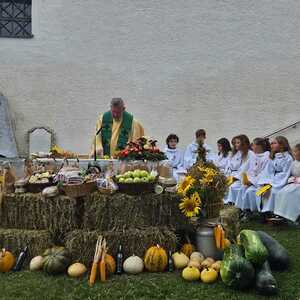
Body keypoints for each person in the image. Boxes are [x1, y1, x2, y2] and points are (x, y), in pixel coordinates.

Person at [255, 136, 293, 215]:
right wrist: (266, 183)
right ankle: (263, 211)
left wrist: (271, 184)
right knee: (260, 189)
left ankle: (275, 212)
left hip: (282, 181)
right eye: (271, 143)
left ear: (282, 145)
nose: (271, 145)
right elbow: (268, 172)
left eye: (274, 143)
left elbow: (286, 173)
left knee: (274, 191)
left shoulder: (288, 158)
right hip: (273, 180)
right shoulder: (273, 157)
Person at [235, 138, 270, 214]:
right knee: (242, 188)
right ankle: (241, 209)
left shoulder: (267, 157)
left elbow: (264, 173)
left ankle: (252, 211)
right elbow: (250, 170)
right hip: (253, 181)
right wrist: (247, 179)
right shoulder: (253, 156)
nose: (251, 147)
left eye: (253, 145)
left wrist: (252, 181)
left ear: (259, 146)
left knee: (249, 191)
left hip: (260, 182)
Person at [224, 134, 255, 204]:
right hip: (238, 176)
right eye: (235, 143)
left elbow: (250, 169)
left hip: (247, 179)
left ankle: (235, 202)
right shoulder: (240, 153)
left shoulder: (251, 154)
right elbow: (236, 168)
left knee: (233, 187)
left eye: (238, 143)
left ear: (244, 143)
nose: (235, 145)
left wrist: (237, 178)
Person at [274, 144, 300, 223]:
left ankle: (293, 217)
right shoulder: (294, 162)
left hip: (298, 185)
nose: (294, 153)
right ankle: (281, 215)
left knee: (290, 194)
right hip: (294, 183)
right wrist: (292, 179)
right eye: (293, 151)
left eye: (296, 151)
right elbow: (290, 174)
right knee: (281, 192)